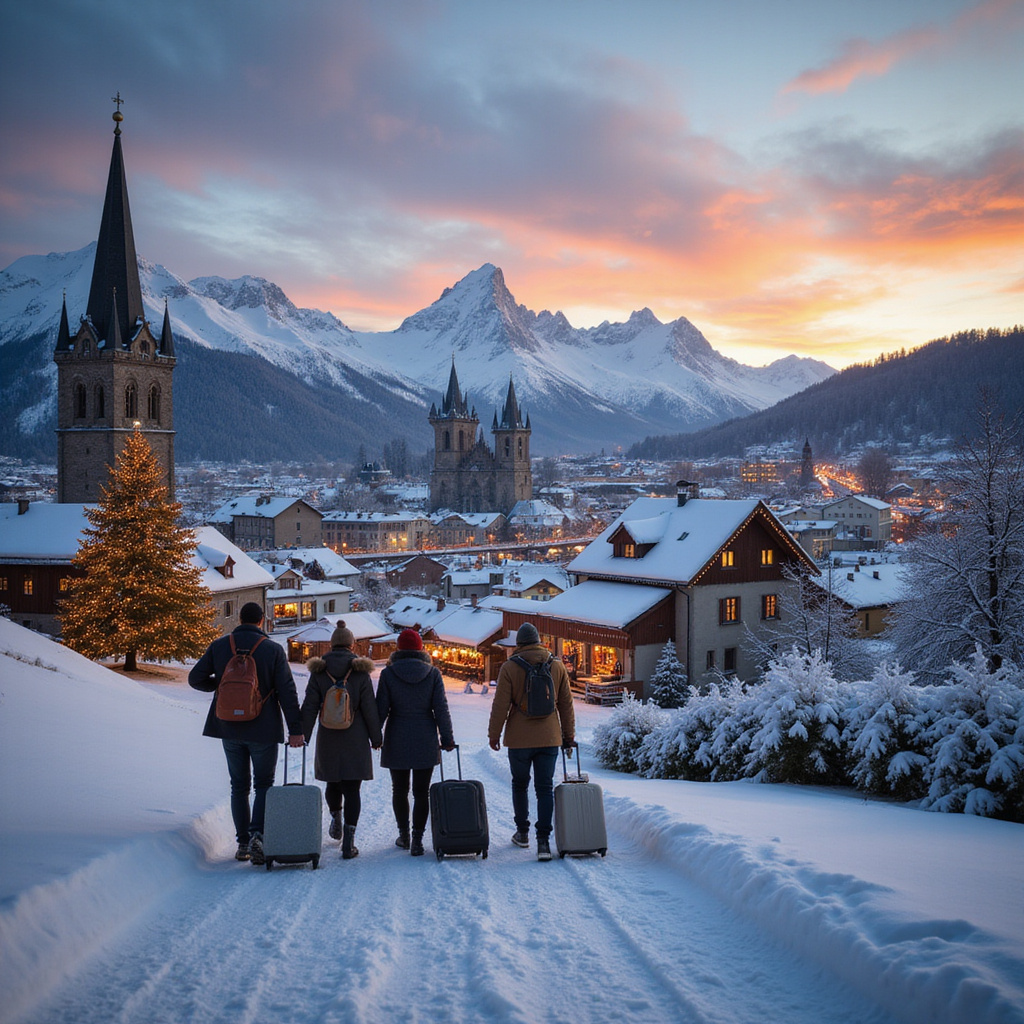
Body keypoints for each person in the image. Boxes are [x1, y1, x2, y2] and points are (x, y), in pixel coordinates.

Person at [188, 602, 304, 865]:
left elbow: (195, 679)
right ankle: (257, 836)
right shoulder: (273, 650)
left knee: (238, 785)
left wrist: (220, 686)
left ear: (240, 619)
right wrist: (295, 730)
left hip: (228, 727)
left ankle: (242, 843)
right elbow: (287, 691)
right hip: (263, 728)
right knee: (263, 783)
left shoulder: (220, 645)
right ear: (261, 621)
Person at [488, 622, 575, 861]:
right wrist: (569, 736)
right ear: (538, 641)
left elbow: (500, 705)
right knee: (544, 788)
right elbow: (566, 704)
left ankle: (522, 833)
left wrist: (494, 734)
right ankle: (543, 841)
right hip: (549, 737)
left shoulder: (510, 667)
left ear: (519, 644)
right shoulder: (556, 665)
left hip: (519, 739)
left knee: (520, 784)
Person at [301, 622, 382, 859]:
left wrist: (303, 735)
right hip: (355, 736)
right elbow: (369, 709)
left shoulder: (319, 670)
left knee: (332, 782)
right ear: (351, 645)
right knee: (352, 789)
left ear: (332, 644)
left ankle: (336, 817)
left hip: (328, 735)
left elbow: (309, 706)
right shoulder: (360, 672)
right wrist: (376, 738)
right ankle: (349, 841)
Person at [376, 628, 455, 856]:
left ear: (398, 649)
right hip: (425, 737)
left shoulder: (388, 674)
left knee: (399, 790)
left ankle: (404, 836)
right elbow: (441, 709)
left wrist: (375, 736)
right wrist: (447, 738)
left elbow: (381, 709)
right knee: (422, 792)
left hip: (397, 736)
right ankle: (418, 840)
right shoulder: (432, 674)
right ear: (421, 649)